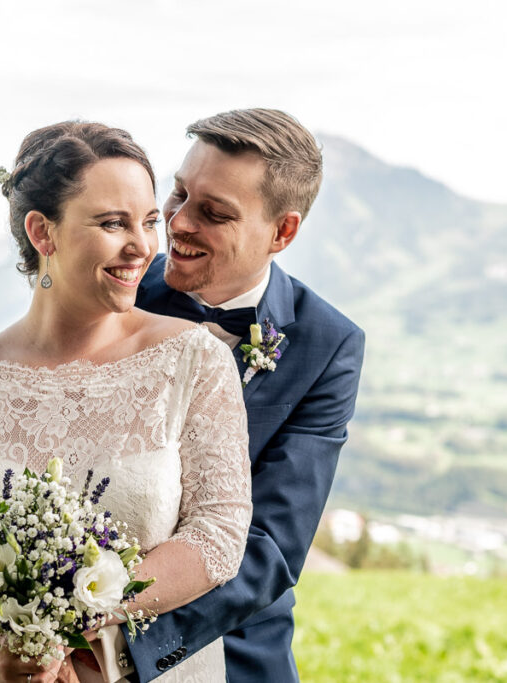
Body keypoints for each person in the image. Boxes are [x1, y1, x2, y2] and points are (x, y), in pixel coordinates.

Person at [0, 122, 252, 683]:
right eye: (112, 223)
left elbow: (218, 532)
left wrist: (79, 627)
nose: (143, 246)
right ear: (42, 233)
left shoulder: (194, 362)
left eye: (149, 221)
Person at [114, 109, 366, 682]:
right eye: (178, 193)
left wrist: (120, 645)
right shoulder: (117, 288)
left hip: (231, 646)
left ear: (283, 232)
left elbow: (271, 545)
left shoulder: (328, 345)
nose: (176, 223)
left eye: (214, 213)